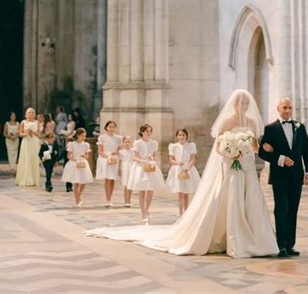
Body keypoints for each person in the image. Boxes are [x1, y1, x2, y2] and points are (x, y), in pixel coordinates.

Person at [86, 89, 278, 258]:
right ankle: (232, 238)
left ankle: (258, 240)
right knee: (230, 199)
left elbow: (254, 147)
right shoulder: (228, 121)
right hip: (231, 165)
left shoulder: (252, 122)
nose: (244, 106)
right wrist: (232, 152)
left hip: (247, 166)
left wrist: (256, 148)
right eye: (241, 103)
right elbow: (219, 147)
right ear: (235, 104)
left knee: (252, 200)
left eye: (246, 103)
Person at [258, 97, 308, 257]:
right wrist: (280, 159)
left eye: (290, 108)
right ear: (278, 108)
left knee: (293, 210)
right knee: (281, 210)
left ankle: (290, 245)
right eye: (284, 108)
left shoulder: (300, 127)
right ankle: (280, 245)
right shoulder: (270, 128)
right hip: (279, 176)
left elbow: (307, 152)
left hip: (297, 176)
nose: (287, 111)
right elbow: (262, 152)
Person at [128, 124, 166, 222]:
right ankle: (143, 212)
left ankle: (147, 209)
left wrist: (152, 157)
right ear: (142, 132)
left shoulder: (153, 143)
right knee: (142, 190)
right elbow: (135, 157)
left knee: (150, 189)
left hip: (150, 166)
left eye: (150, 131)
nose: (148, 133)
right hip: (140, 168)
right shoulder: (138, 143)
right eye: (146, 131)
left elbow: (154, 155)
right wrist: (144, 161)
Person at [166, 128, 201, 216]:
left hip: (188, 169)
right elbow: (171, 160)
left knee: (186, 192)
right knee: (180, 193)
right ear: (177, 136)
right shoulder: (174, 146)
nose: (181, 137)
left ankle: (186, 212)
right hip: (178, 169)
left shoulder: (191, 145)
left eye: (183, 135)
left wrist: (188, 167)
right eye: (179, 135)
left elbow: (193, 159)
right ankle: (180, 213)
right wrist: (177, 162)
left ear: (186, 136)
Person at [61, 128, 93, 207]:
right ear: (78, 135)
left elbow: (87, 156)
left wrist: (84, 156)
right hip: (75, 163)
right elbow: (69, 156)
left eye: (84, 136)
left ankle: (78, 196)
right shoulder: (72, 144)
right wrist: (74, 159)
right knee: (76, 182)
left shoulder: (86, 145)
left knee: (84, 181)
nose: (84, 138)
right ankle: (77, 200)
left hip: (83, 163)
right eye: (82, 136)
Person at [96, 120, 122, 207]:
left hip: (114, 159)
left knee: (112, 179)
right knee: (107, 179)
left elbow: (119, 149)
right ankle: (107, 199)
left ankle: (110, 198)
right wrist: (108, 157)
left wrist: (116, 153)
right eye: (110, 126)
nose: (111, 128)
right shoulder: (102, 137)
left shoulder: (118, 138)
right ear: (106, 128)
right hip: (105, 159)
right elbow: (100, 151)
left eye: (113, 127)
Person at [15, 107, 40, 187]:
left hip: (34, 142)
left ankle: (34, 179)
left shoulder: (37, 122)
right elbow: (20, 134)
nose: (31, 114)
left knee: (34, 159)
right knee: (26, 159)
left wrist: (32, 132)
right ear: (26, 114)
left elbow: (39, 134)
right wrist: (27, 133)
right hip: (26, 142)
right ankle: (25, 179)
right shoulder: (23, 122)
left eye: (33, 112)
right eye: (30, 112)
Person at [118, 135, 135, 207]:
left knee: (130, 184)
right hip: (124, 167)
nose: (127, 143)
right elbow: (120, 161)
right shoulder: (121, 152)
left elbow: (134, 159)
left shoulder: (133, 151)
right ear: (123, 143)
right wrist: (119, 169)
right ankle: (126, 200)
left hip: (131, 167)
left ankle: (129, 199)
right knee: (126, 184)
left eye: (128, 142)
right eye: (125, 142)